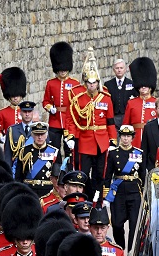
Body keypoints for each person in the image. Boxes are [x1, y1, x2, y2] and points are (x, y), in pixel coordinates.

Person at [63, 48, 117, 202]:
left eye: (94, 83)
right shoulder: (78, 98)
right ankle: (83, 200)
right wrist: (71, 136)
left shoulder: (105, 98)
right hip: (85, 140)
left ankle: (97, 201)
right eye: (89, 83)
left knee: (100, 174)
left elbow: (110, 122)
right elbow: (72, 119)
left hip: (101, 141)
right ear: (85, 83)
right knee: (83, 174)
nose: (92, 86)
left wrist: (113, 140)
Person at [103, 124, 146, 249]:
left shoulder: (139, 153)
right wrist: (106, 195)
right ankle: (121, 248)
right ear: (120, 137)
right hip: (119, 192)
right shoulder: (113, 153)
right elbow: (108, 175)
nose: (125, 139)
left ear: (132, 138)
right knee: (116, 224)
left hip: (134, 192)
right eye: (123, 136)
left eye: (128, 136)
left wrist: (144, 194)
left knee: (134, 225)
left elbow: (142, 175)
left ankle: (131, 251)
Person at [14, 121, 62, 209]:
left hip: (47, 192)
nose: (39, 137)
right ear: (32, 135)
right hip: (29, 191)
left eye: (42, 134)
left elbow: (57, 176)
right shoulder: (24, 151)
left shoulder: (54, 152)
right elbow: (18, 176)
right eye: (37, 134)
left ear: (46, 135)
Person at [43, 41, 80, 152]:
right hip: (55, 120)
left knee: (70, 150)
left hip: (69, 120)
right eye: (60, 69)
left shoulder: (75, 83)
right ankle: (56, 168)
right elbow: (45, 101)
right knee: (54, 148)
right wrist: (50, 108)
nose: (62, 72)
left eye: (64, 69)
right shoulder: (51, 83)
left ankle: (69, 169)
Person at [122, 57, 157, 144]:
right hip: (135, 140)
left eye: (145, 86)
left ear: (150, 87)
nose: (143, 88)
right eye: (141, 86)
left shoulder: (156, 102)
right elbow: (126, 124)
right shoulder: (131, 103)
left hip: (151, 139)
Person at [0, 67, 27, 144]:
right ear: (9, 96)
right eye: (13, 95)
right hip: (9, 147)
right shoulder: (2, 113)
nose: (15, 98)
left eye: (17, 95)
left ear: (21, 96)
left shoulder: (27, 111)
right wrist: (1, 137)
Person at [4, 101, 37, 166]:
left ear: (33, 113)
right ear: (20, 113)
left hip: (34, 167)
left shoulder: (39, 129)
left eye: (29, 111)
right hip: (17, 168)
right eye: (24, 112)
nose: (27, 114)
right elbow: (8, 154)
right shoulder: (12, 130)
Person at [103, 58, 135, 128]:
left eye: (121, 68)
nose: (119, 70)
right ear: (114, 70)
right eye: (117, 68)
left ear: (125, 69)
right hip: (113, 116)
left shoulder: (132, 84)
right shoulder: (108, 84)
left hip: (127, 116)